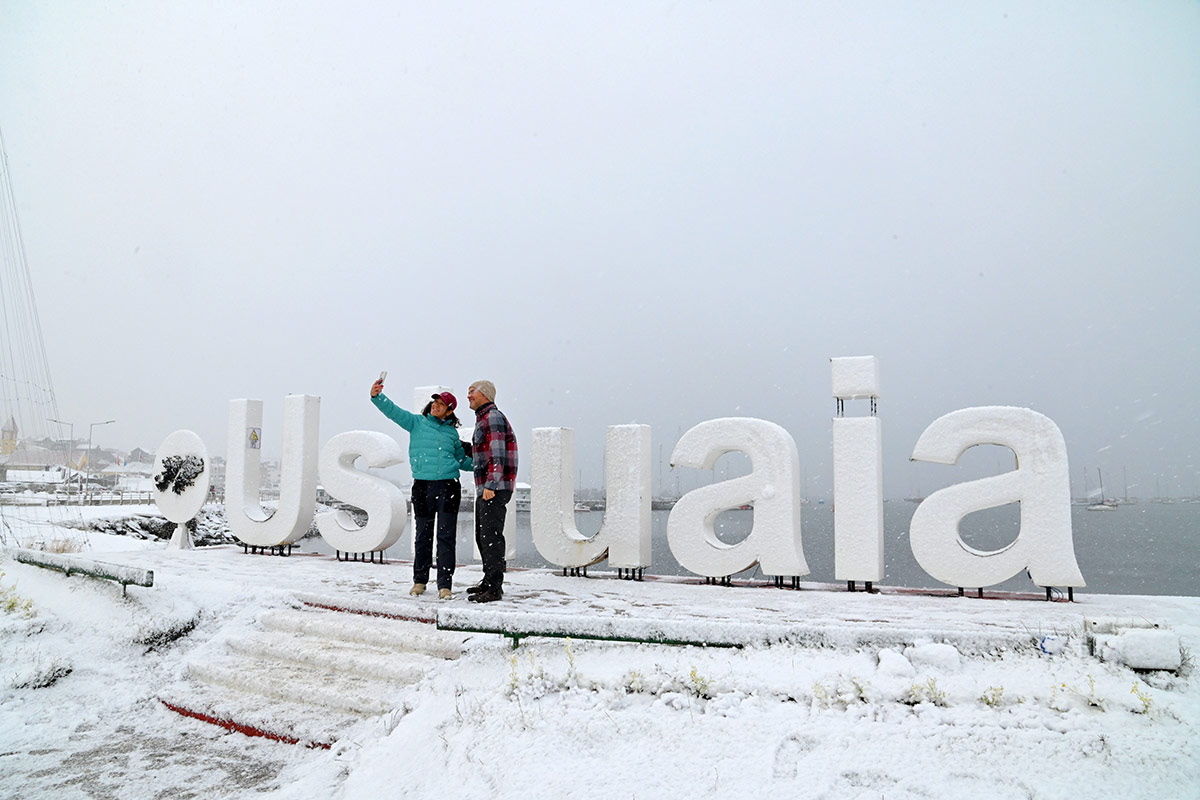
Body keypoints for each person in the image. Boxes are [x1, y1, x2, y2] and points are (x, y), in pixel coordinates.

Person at [370, 377, 473, 600]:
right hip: (423, 487)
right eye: (434, 402)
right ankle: (419, 581)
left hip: (449, 488)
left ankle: (445, 585)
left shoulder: (452, 434)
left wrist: (481, 467)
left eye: (441, 404)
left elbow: (461, 460)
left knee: (446, 538)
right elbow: (394, 412)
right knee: (422, 536)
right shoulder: (416, 422)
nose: (435, 405)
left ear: (449, 411)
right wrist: (378, 397)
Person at [464, 380, 518, 603]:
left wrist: (491, 485)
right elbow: (483, 453)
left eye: (472, 392)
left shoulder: (492, 417)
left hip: (493, 488)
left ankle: (494, 588)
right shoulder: (483, 419)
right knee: (482, 536)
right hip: (486, 487)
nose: (468, 396)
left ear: (484, 394)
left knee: (491, 537)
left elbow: (498, 454)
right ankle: (488, 581)